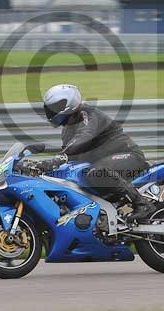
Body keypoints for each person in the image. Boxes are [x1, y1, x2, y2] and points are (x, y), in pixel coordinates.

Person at [36, 83, 155, 221]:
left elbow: (84, 136)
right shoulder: (67, 129)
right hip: (104, 162)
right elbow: (70, 152)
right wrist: (45, 165)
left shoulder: (86, 114)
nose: (51, 112)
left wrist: (59, 158)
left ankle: (142, 204)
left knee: (96, 172)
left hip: (129, 155)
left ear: (68, 104)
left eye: (54, 108)